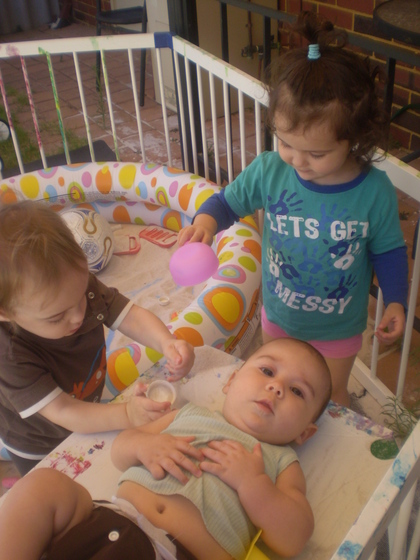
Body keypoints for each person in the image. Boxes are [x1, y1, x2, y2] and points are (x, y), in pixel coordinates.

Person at [178, 11, 408, 407]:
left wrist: (397, 300)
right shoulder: (270, 170)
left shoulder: (374, 191)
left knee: (331, 398)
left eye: (316, 153)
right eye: (285, 143)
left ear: (353, 139)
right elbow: (226, 202)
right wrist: (205, 222)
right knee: (279, 396)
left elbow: (388, 251)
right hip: (280, 318)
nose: (298, 161)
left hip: (338, 329)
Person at [0, 337, 332, 560]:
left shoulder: (281, 461)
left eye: (298, 391)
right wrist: (146, 445)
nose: (276, 387)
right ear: (231, 382)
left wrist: (253, 484)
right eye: (267, 371)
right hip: (109, 519)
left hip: (177, 554)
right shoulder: (189, 414)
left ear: (305, 432)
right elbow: (120, 450)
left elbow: (294, 537)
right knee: (46, 486)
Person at [0, 200, 195, 475]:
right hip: (39, 441)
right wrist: (126, 414)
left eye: (81, 297)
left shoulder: (74, 289)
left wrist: (166, 342)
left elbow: (131, 316)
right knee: (55, 487)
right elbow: (63, 410)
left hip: (86, 403)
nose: (78, 316)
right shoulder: (9, 356)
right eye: (57, 317)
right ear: (6, 313)